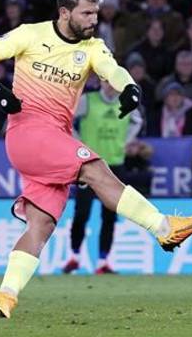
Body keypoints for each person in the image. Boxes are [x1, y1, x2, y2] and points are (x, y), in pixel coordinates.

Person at [0, 0, 192, 318]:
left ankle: (5, 295)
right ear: (65, 12)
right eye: (86, 14)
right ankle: (164, 229)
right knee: (95, 169)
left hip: (55, 138)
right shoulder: (30, 34)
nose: (94, 20)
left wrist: (129, 88)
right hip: (28, 132)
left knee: (42, 224)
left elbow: (114, 69)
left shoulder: (92, 47)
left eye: (96, 14)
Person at [62, 80, 144, 275]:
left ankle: (103, 261)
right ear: (101, 81)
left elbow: (138, 122)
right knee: (82, 212)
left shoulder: (125, 102)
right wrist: (77, 141)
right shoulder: (88, 101)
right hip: (89, 165)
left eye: (113, 82)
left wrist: (126, 141)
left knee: (109, 215)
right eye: (107, 81)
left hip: (115, 165)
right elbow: (66, 120)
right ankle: (74, 256)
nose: (110, 86)